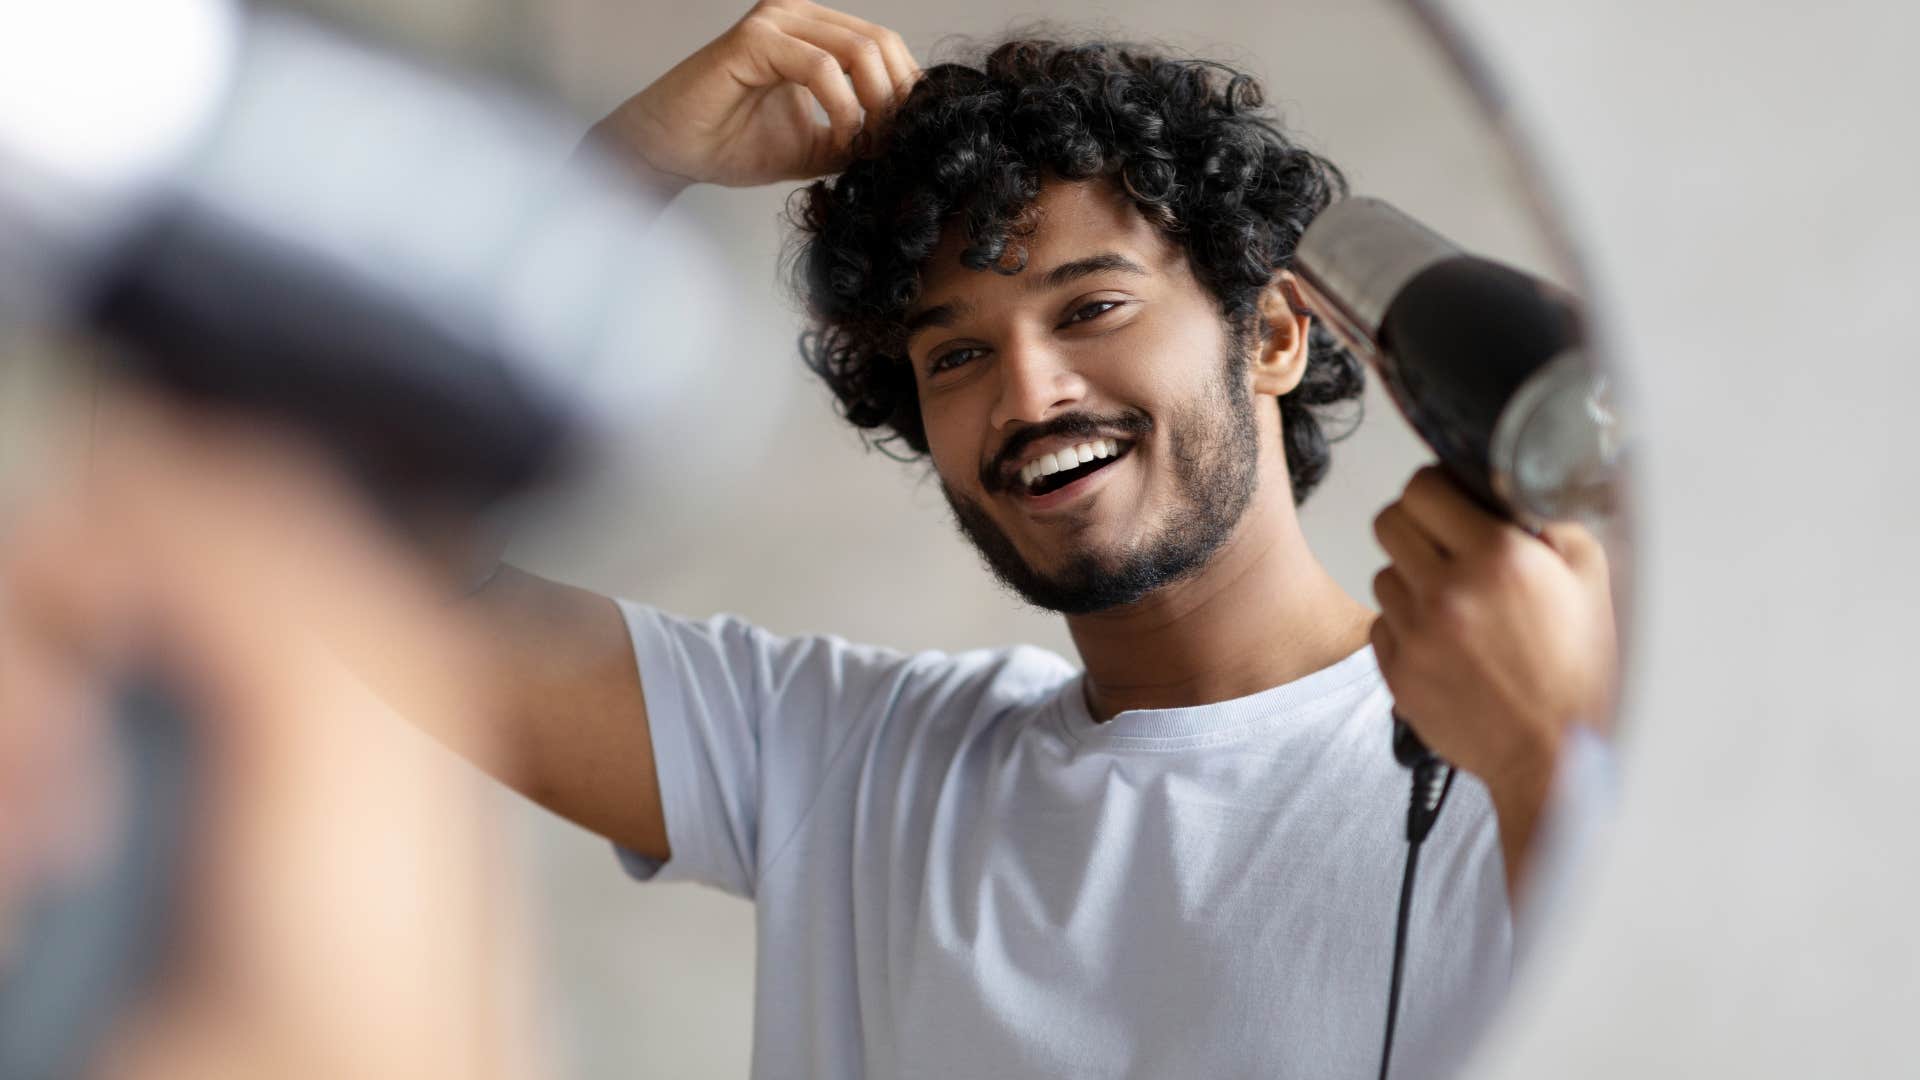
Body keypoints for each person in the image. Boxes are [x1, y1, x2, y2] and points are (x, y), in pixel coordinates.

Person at [490, 3, 1616, 1077]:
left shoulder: (1523, 742)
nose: (1029, 396)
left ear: (1273, 333)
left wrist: (1541, 765)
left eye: (1092, 309)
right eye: (956, 357)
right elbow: (387, 585)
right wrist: (612, 177)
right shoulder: (846, 766)